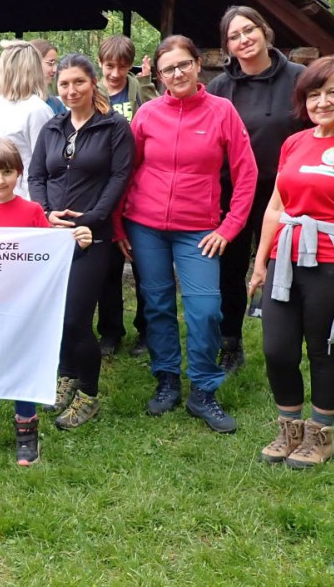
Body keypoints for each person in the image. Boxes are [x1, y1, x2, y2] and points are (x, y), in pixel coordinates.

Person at [248, 54, 334, 468]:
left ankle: (321, 435)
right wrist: (260, 262)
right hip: (285, 259)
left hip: (333, 262)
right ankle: (289, 429)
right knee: (276, 349)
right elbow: (276, 207)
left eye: (332, 93)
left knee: (325, 350)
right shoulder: (295, 142)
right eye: (314, 95)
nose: (322, 102)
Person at [115, 35, 257, 434]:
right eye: (167, 69)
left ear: (197, 66)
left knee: (205, 309)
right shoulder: (147, 115)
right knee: (156, 304)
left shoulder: (222, 112)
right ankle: (166, 380)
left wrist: (229, 227)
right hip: (146, 226)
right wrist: (118, 223)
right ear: (157, 76)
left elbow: (246, 175)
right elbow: (128, 170)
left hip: (199, 229)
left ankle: (203, 389)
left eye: (183, 65)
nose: (176, 74)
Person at [0, 138, 92, 463]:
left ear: (19, 173)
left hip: (24, 307)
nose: (0, 179)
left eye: (7, 171)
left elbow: (50, 254)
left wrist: (76, 242)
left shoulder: (32, 211)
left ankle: (26, 430)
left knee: (23, 365)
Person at [29, 53, 134, 429]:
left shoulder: (114, 128)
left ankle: (88, 395)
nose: (71, 90)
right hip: (52, 236)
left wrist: (90, 219)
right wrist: (44, 212)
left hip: (94, 237)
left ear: (93, 84)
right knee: (56, 317)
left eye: (79, 83)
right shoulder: (52, 128)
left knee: (75, 318)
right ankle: (66, 375)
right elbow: (37, 174)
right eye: (64, 84)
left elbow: (119, 179)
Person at [206, 6, 306, 373]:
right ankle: (230, 343)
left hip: (286, 193)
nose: (244, 39)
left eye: (249, 30)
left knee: (286, 267)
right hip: (232, 195)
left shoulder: (300, 79)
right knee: (230, 270)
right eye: (234, 36)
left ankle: (285, 340)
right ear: (227, 47)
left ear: (265, 32)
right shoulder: (220, 88)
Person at [94, 35, 157, 356]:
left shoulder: (138, 89)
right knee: (108, 267)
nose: (115, 73)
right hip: (103, 188)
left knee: (145, 263)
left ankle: (147, 331)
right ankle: (110, 331)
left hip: (139, 186)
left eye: (121, 67)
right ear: (100, 64)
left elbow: (156, 115)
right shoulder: (93, 91)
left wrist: (146, 83)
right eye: (109, 66)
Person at [0, 41, 54, 202]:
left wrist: (36, 209)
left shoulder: (37, 110)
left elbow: (42, 168)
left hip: (21, 204)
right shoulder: (0, 103)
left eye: (2, 64)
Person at [29, 38, 66, 115]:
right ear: (33, 63)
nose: (55, 70)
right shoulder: (13, 102)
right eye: (50, 63)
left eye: (56, 64)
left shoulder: (56, 104)